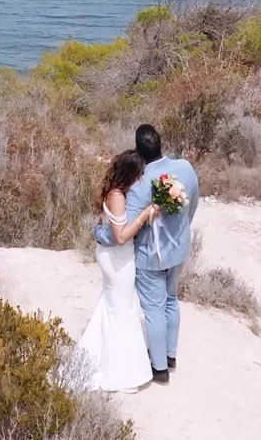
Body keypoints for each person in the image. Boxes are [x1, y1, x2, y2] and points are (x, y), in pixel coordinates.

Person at [93, 123, 199, 384]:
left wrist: (100, 234)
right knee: (171, 301)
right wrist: (182, 229)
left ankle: (159, 368)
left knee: (154, 309)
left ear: (138, 149)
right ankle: (171, 355)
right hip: (178, 249)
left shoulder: (140, 183)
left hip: (150, 255)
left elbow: (126, 230)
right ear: (161, 143)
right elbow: (193, 203)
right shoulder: (185, 168)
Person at [75, 151, 158, 392]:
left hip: (114, 258)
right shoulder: (118, 197)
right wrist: (144, 216)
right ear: (132, 173)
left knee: (113, 306)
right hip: (118, 260)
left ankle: (100, 358)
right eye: (140, 174)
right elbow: (121, 236)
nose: (142, 178)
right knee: (121, 309)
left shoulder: (114, 191)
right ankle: (120, 372)